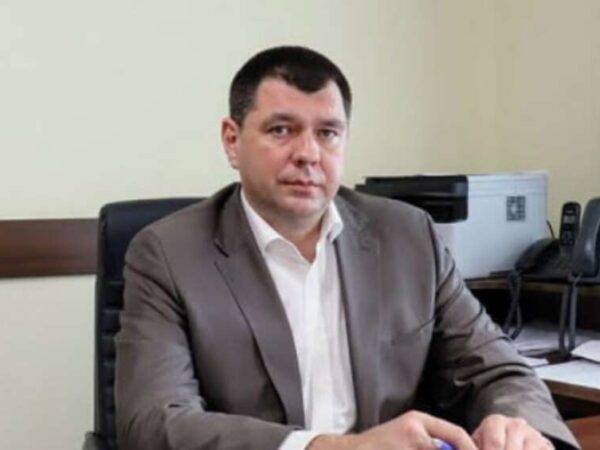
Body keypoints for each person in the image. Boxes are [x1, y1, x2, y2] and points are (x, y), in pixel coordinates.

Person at [115, 46, 579, 450]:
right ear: (232, 141)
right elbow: (155, 423)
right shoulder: (168, 254)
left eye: (327, 133)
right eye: (281, 130)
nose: (308, 154)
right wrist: (332, 448)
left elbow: (498, 371)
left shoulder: (409, 237)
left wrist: (519, 427)